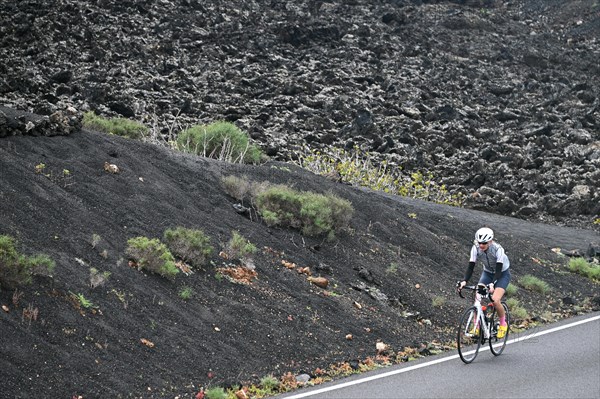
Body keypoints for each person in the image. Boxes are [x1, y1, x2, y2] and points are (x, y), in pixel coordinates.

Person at [458, 227, 510, 338]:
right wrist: (464, 281)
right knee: (477, 297)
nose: (481, 245)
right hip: (487, 273)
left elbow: (499, 268)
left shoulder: (498, 249)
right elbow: (471, 266)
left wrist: (493, 283)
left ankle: (503, 324)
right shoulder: (475, 248)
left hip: (501, 274)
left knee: (495, 300)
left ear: (490, 241)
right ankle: (476, 327)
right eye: (480, 243)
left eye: (484, 243)